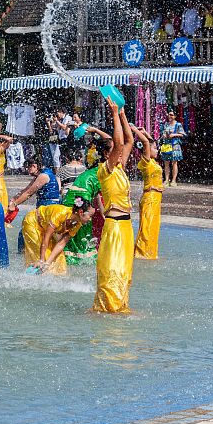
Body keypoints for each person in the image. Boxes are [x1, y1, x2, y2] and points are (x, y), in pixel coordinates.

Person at [93, 98, 135, 314]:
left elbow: (128, 141)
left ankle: (120, 304)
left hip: (126, 227)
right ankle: (107, 307)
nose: (119, 153)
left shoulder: (120, 167)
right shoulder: (106, 169)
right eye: (113, 151)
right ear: (106, 153)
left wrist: (122, 114)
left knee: (124, 270)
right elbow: (119, 144)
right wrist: (113, 113)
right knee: (112, 268)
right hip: (115, 227)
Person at [20, 202, 77, 275]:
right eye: (90, 215)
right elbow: (46, 237)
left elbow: (61, 244)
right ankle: (30, 279)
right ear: (81, 213)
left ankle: (56, 281)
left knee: (60, 260)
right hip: (33, 223)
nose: (90, 219)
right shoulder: (60, 214)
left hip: (46, 228)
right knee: (40, 258)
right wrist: (42, 260)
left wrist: (47, 263)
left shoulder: (78, 223)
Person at [133, 126, 163, 260]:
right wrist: (135, 130)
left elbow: (149, 143)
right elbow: (146, 144)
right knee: (147, 227)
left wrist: (147, 134)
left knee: (153, 227)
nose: (157, 150)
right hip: (150, 197)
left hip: (155, 198)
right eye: (154, 148)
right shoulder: (145, 162)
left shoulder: (153, 162)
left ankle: (150, 252)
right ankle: (142, 253)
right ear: (147, 150)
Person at [158, 111, 185, 187]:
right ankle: (166, 180)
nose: (169, 116)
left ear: (175, 116)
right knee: (166, 163)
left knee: (174, 163)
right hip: (167, 145)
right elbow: (163, 134)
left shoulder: (178, 124)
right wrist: (164, 135)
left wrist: (174, 135)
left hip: (175, 145)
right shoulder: (166, 124)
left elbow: (182, 134)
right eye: (169, 115)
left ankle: (173, 180)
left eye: (171, 115)